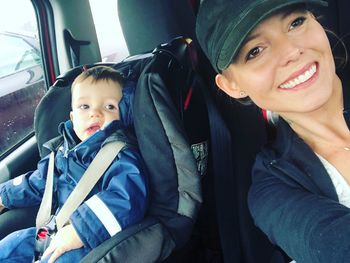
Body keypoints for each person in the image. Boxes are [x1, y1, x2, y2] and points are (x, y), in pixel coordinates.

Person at [196, 0, 350, 262]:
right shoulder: (273, 190)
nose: (290, 51)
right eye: (255, 51)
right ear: (232, 86)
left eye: (296, 22)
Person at [0, 65, 149, 262]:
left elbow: (126, 199)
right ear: (72, 116)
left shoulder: (121, 155)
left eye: (109, 106)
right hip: (50, 232)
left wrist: (79, 230)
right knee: (9, 245)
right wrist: (4, 195)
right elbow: (39, 182)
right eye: (84, 107)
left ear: (123, 114)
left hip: (89, 240)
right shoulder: (63, 151)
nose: (95, 113)